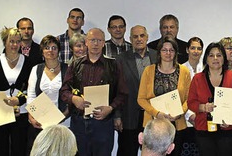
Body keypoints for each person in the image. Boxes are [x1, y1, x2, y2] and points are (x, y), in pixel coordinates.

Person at [60, 28, 128, 156]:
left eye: (99, 40)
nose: (95, 44)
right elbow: (64, 90)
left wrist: (111, 108)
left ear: (104, 43)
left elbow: (122, 93)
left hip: (103, 124)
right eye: (92, 40)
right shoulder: (75, 64)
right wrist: (74, 99)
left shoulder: (114, 65)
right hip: (79, 122)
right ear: (86, 42)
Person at [187, 42, 232, 156]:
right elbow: (191, 102)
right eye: (211, 55)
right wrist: (203, 107)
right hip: (204, 130)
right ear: (206, 59)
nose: (215, 58)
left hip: (227, 131)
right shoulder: (197, 78)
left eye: (219, 55)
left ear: (224, 58)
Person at [138, 38, 192, 156]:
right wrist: (157, 113)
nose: (168, 53)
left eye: (171, 50)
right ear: (159, 52)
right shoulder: (149, 71)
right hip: (153, 124)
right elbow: (141, 99)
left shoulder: (184, 71)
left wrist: (180, 112)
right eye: (164, 50)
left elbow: (189, 99)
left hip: (176, 123)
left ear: (176, 52)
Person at [0, 27, 35, 156]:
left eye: (18, 41)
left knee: (19, 148)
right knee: (0, 147)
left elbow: (31, 89)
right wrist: (3, 104)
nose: (15, 45)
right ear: (5, 42)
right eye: (11, 41)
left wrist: (19, 100)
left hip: (22, 111)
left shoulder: (28, 63)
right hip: (0, 111)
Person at [116, 25, 158, 155]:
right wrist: (117, 115)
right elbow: (117, 89)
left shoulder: (157, 56)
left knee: (153, 152)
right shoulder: (121, 59)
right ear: (130, 39)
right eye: (135, 36)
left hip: (153, 114)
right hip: (129, 114)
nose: (139, 39)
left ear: (147, 38)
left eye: (142, 36)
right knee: (127, 151)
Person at [25, 35, 70, 154]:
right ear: (42, 51)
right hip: (40, 123)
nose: (50, 51)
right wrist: (31, 117)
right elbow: (31, 95)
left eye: (54, 47)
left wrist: (62, 117)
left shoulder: (68, 69)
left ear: (59, 51)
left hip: (63, 122)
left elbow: (71, 96)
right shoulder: (36, 69)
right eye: (47, 47)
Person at [181, 37, 204, 155]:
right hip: (186, 118)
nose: (196, 51)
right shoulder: (180, 69)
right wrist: (190, 115)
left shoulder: (206, 69)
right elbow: (181, 97)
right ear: (187, 50)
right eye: (193, 48)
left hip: (203, 117)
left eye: (199, 48)